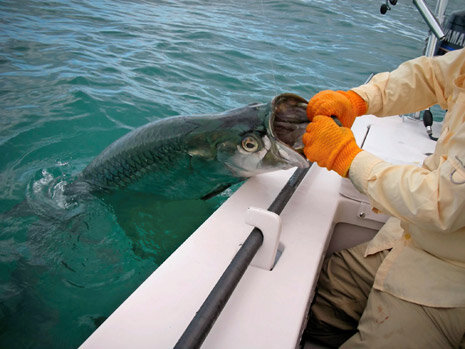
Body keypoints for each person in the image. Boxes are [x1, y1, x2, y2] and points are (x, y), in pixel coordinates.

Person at [302, 48, 465, 347]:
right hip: (411, 235)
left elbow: (441, 201)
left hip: (449, 281)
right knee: (317, 298)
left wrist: (347, 158)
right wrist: (359, 99)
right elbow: (433, 76)